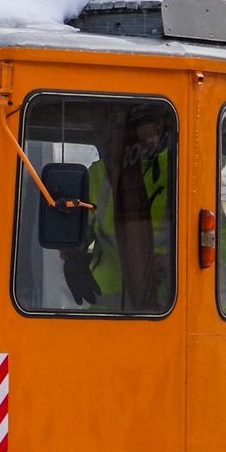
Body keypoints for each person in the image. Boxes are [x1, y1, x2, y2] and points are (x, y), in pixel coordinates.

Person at [63, 103, 172, 311]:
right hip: (105, 300)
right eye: (137, 133)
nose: (145, 140)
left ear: (163, 131)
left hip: (168, 301)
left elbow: (224, 243)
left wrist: (171, 261)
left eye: (153, 130)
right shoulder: (98, 175)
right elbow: (76, 231)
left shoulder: (179, 174)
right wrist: (73, 258)